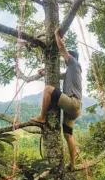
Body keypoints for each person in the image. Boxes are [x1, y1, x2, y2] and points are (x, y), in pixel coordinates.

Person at [30, 27, 82, 170]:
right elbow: (59, 75)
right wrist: (43, 72)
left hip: (72, 103)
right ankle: (72, 164)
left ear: (71, 58)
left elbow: (61, 47)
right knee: (68, 135)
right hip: (75, 109)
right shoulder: (73, 71)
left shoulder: (73, 63)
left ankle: (41, 117)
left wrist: (56, 34)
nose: (65, 59)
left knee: (48, 89)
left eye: (67, 57)